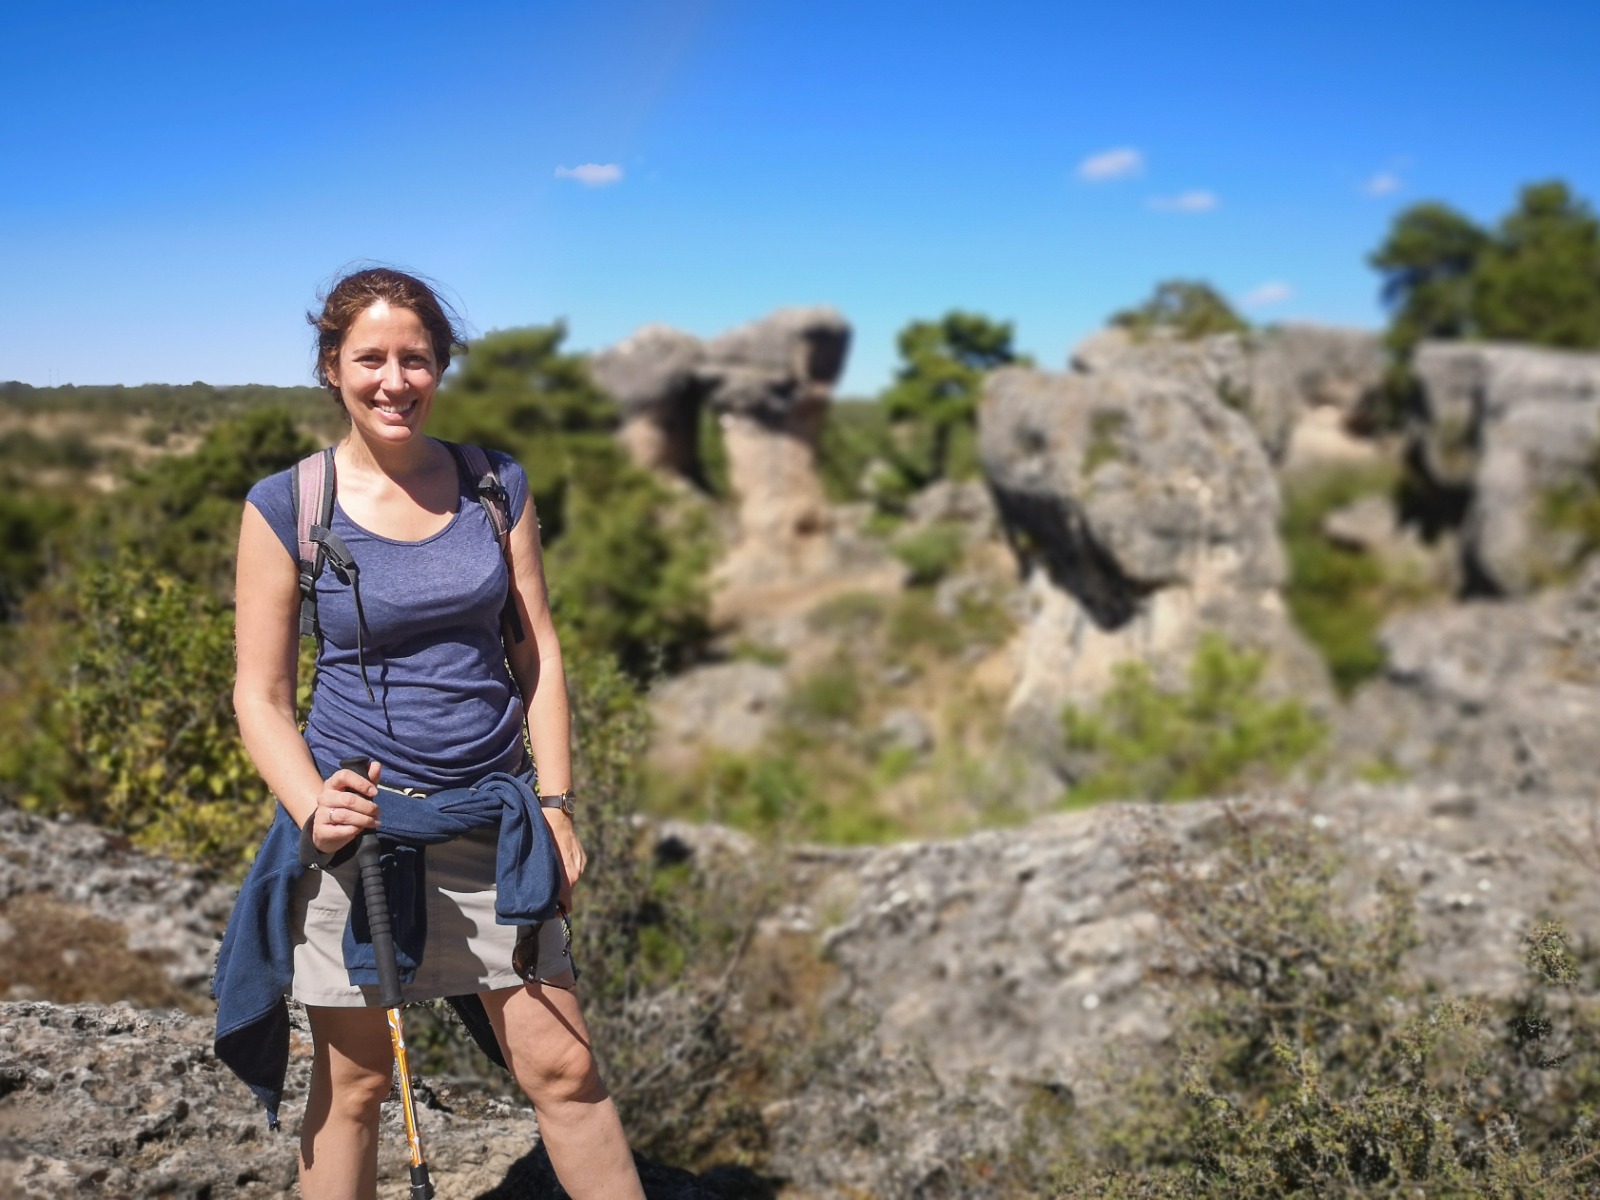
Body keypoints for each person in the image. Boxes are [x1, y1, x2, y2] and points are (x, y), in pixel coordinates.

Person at [224, 266, 646, 1200]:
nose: (394, 380)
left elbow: (537, 654)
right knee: (357, 1089)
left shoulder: (493, 484)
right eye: (369, 358)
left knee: (565, 1071)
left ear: (441, 368)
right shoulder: (289, 507)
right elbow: (258, 694)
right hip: (362, 838)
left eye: (415, 359)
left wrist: (558, 806)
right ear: (332, 367)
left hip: (494, 823)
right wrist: (313, 807)